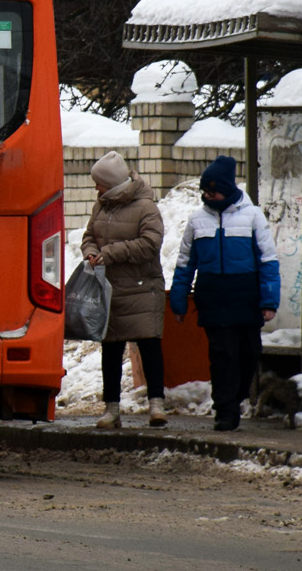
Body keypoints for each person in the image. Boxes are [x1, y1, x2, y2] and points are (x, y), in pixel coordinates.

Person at [169, 155, 280, 432]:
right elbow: (185, 263)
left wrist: (268, 300)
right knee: (222, 356)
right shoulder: (197, 220)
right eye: (205, 191)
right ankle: (225, 410)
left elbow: (268, 260)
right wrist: (179, 301)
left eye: (213, 191)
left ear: (228, 189)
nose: (208, 196)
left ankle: (236, 396)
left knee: (248, 353)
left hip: (246, 297)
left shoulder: (252, 215)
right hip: (213, 299)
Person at [81, 150, 168, 429]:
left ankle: (156, 404)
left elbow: (150, 244)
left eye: (99, 182)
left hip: (142, 288)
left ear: (112, 183)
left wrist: (110, 253)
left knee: (149, 345)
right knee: (111, 349)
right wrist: (91, 253)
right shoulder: (102, 207)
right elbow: (88, 236)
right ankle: (112, 409)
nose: (96, 188)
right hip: (110, 289)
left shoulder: (146, 207)